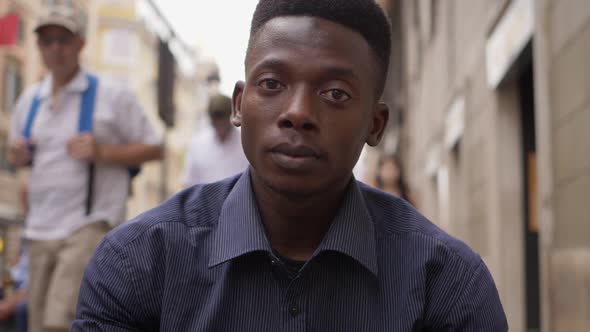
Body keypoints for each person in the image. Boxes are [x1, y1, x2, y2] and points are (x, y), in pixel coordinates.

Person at [73, 0, 508, 330]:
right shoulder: (138, 263)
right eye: (272, 84)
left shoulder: (448, 283)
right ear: (240, 104)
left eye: (335, 92)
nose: (297, 111)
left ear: (375, 125)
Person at [7, 3, 162, 332]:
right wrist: (18, 156)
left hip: (87, 225)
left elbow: (156, 147)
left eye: (62, 39)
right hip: (39, 229)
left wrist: (103, 151)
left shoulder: (111, 94)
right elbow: (21, 157)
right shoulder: (30, 101)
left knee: (58, 322)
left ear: (80, 43)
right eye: (46, 41)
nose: (54, 49)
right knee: (36, 323)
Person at [182, 93, 249, 186]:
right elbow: (189, 182)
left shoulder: (246, 143)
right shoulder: (197, 144)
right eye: (216, 121)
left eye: (223, 121)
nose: (220, 126)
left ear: (231, 117)